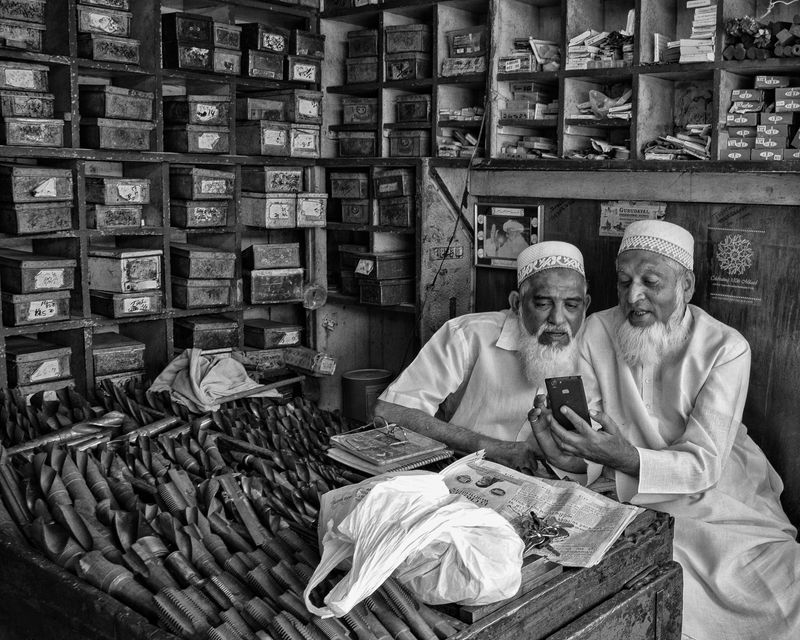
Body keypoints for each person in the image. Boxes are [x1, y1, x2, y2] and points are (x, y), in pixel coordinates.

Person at [530, 220, 800, 640]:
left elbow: (705, 461)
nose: (632, 296)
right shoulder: (596, 331)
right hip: (625, 492)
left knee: (780, 592)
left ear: (686, 285)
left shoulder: (725, 347)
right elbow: (590, 448)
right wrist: (564, 452)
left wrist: (624, 456)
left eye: (650, 282)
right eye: (623, 283)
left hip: (719, 493)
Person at [374, 241, 590, 471]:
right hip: (465, 471)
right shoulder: (468, 335)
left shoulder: (594, 349)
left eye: (571, 306)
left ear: (585, 306)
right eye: (544, 304)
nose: (557, 319)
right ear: (517, 304)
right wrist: (489, 447)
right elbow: (389, 411)